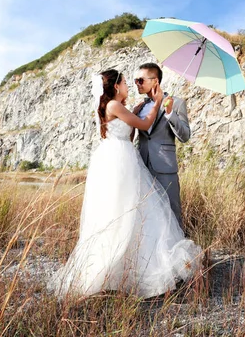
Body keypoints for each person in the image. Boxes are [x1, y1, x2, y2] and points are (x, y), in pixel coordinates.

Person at [48, 69, 201, 299]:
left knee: (135, 213)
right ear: (117, 86)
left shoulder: (121, 106)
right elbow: (143, 125)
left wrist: (152, 110)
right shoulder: (114, 106)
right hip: (120, 162)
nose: (133, 84)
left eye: (139, 80)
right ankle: (118, 269)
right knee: (122, 212)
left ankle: (135, 264)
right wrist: (157, 103)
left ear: (155, 81)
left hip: (127, 159)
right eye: (129, 81)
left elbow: (130, 131)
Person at [133, 63, 190, 230]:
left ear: (155, 81)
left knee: (172, 213)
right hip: (142, 166)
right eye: (136, 80)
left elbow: (185, 136)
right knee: (145, 215)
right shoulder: (140, 107)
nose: (137, 83)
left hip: (165, 166)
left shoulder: (176, 103)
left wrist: (170, 113)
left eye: (140, 80)